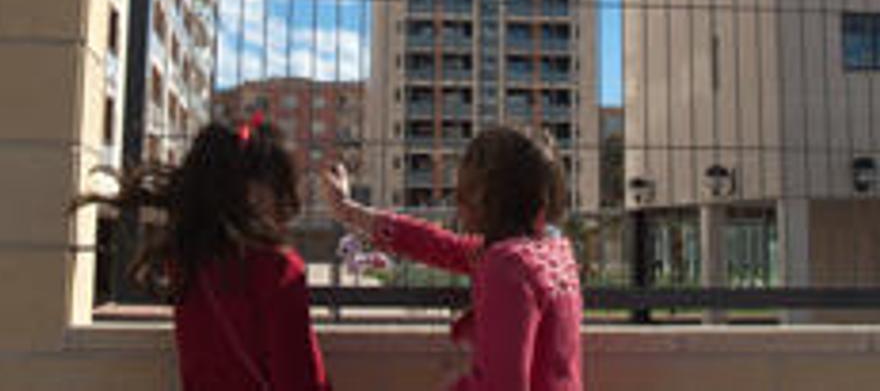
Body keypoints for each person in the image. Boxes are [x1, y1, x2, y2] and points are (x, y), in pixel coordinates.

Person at [74, 121, 331, 391]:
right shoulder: (278, 269)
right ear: (255, 191)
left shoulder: (188, 261)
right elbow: (300, 378)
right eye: (280, 185)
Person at [322, 126, 582, 391]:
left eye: (467, 188)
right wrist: (349, 210)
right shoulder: (553, 252)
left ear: (486, 199)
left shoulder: (508, 267)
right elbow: (435, 244)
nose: (457, 200)